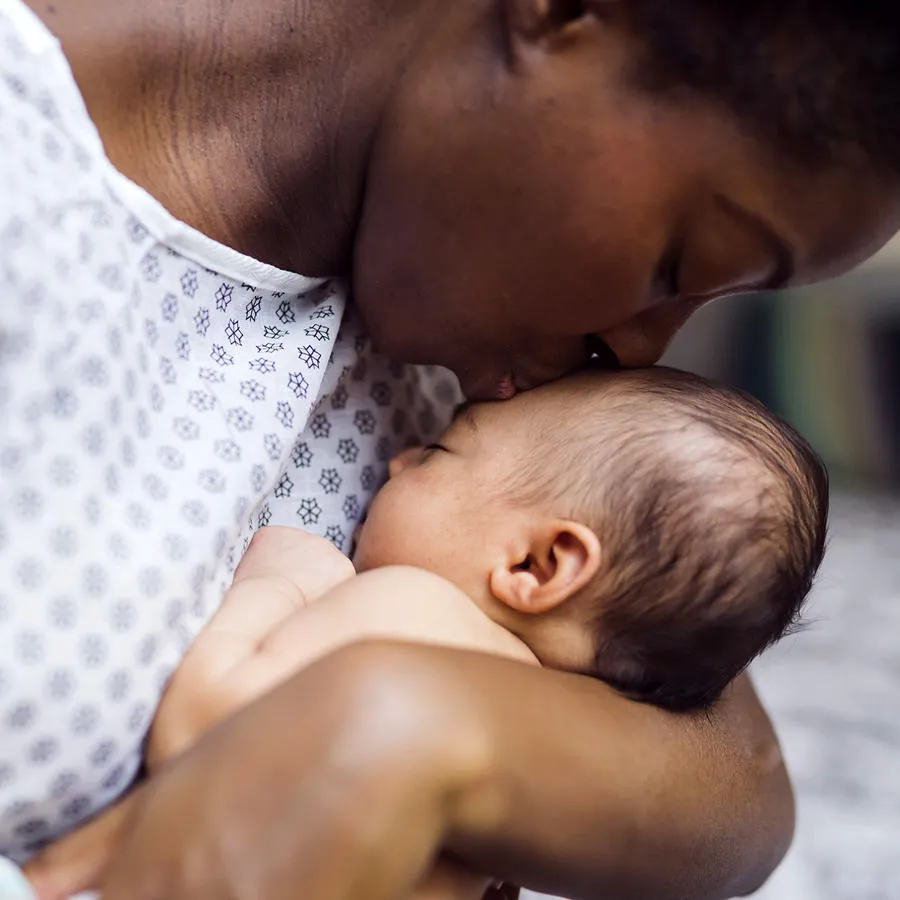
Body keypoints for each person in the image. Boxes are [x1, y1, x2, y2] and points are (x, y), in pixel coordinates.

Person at [2, 0, 899, 895]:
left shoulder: (476, 339)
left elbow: (740, 776)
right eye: (680, 266)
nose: (636, 355)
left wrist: (425, 731)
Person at [25, 365, 829, 900]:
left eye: (444, 449)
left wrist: (283, 578)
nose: (402, 458)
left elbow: (200, 730)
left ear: (539, 565)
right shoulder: (544, 726)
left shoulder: (413, 611)